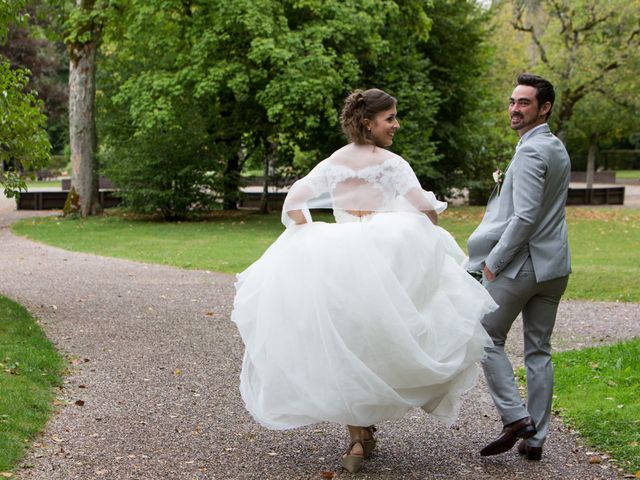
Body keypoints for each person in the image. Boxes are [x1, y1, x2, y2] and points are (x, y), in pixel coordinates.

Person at [231, 88, 497, 473]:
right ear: (369, 121)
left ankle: (357, 439)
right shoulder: (391, 163)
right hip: (381, 260)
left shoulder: (333, 162)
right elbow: (425, 209)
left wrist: (307, 233)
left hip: (339, 262)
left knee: (348, 343)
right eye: (390, 118)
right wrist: (421, 230)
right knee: (385, 338)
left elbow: (294, 201)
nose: (395, 125)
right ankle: (366, 429)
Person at [467, 73, 571, 461]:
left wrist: (492, 264)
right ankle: (536, 439)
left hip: (524, 266)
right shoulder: (557, 147)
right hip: (555, 265)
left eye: (524, 102)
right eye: (512, 101)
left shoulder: (530, 151)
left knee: (483, 334)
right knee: (539, 351)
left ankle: (515, 417)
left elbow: (525, 218)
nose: (514, 108)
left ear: (544, 107)